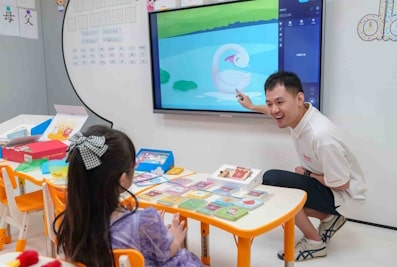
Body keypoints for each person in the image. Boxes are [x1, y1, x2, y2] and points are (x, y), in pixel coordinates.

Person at [236, 71, 367, 261]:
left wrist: (307, 173)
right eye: (270, 103)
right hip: (331, 186)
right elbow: (274, 112)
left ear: (299, 98)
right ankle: (330, 219)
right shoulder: (299, 115)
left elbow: (342, 184)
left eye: (280, 102)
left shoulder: (321, 136)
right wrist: (252, 106)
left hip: (345, 195)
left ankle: (315, 243)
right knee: (276, 185)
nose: (274, 110)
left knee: (276, 187)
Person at [55, 125, 205, 267]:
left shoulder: (72, 222)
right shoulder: (144, 221)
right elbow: (166, 252)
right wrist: (176, 239)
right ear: (122, 179)